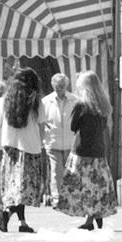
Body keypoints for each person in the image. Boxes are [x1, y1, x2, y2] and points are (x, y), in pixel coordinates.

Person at [55, 71, 117, 230]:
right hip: (98, 151)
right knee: (96, 185)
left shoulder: (81, 105)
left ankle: (90, 219)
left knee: (82, 186)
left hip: (81, 151)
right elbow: (103, 127)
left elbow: (73, 127)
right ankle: (95, 214)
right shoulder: (104, 105)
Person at [0, 68, 46, 232]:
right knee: (24, 190)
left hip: (10, 149)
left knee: (14, 188)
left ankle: (21, 221)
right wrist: (41, 143)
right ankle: (9, 214)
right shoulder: (36, 101)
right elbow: (42, 125)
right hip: (30, 148)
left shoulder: (5, 101)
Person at [42, 73, 78, 205]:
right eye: (57, 86)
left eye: (62, 86)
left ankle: (69, 197)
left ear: (67, 85)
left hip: (70, 141)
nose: (60, 88)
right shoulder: (46, 101)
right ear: (53, 86)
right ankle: (57, 198)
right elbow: (42, 121)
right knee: (56, 171)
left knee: (69, 171)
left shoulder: (75, 100)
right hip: (53, 141)